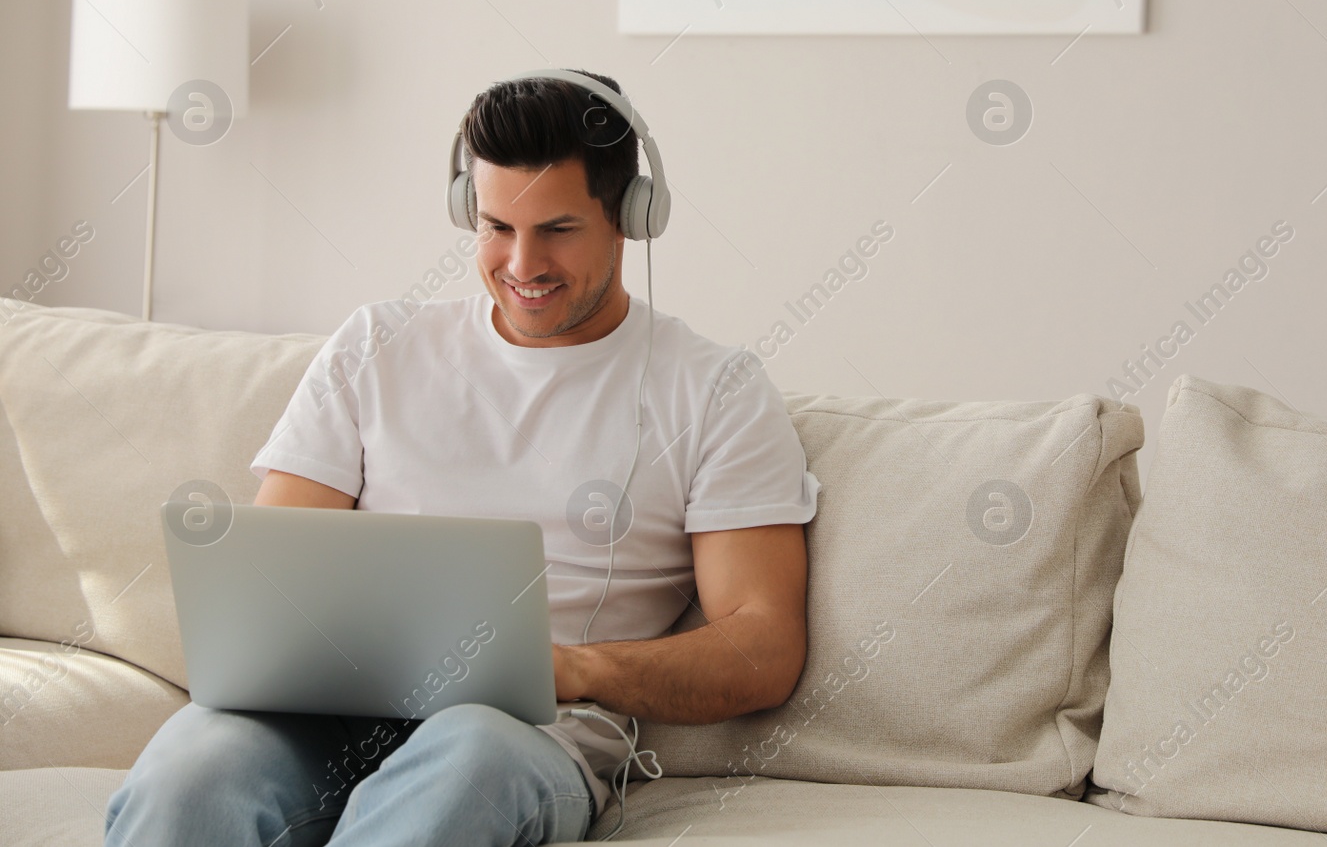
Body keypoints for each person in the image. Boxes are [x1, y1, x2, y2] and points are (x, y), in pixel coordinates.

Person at [104, 70, 819, 846]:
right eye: (496, 227)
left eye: (558, 229)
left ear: (632, 218)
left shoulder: (716, 389)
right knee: (191, 773)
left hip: (517, 734)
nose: (521, 264)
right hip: (324, 714)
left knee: (464, 764)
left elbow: (763, 646)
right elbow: (271, 583)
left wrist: (576, 669)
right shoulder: (377, 344)